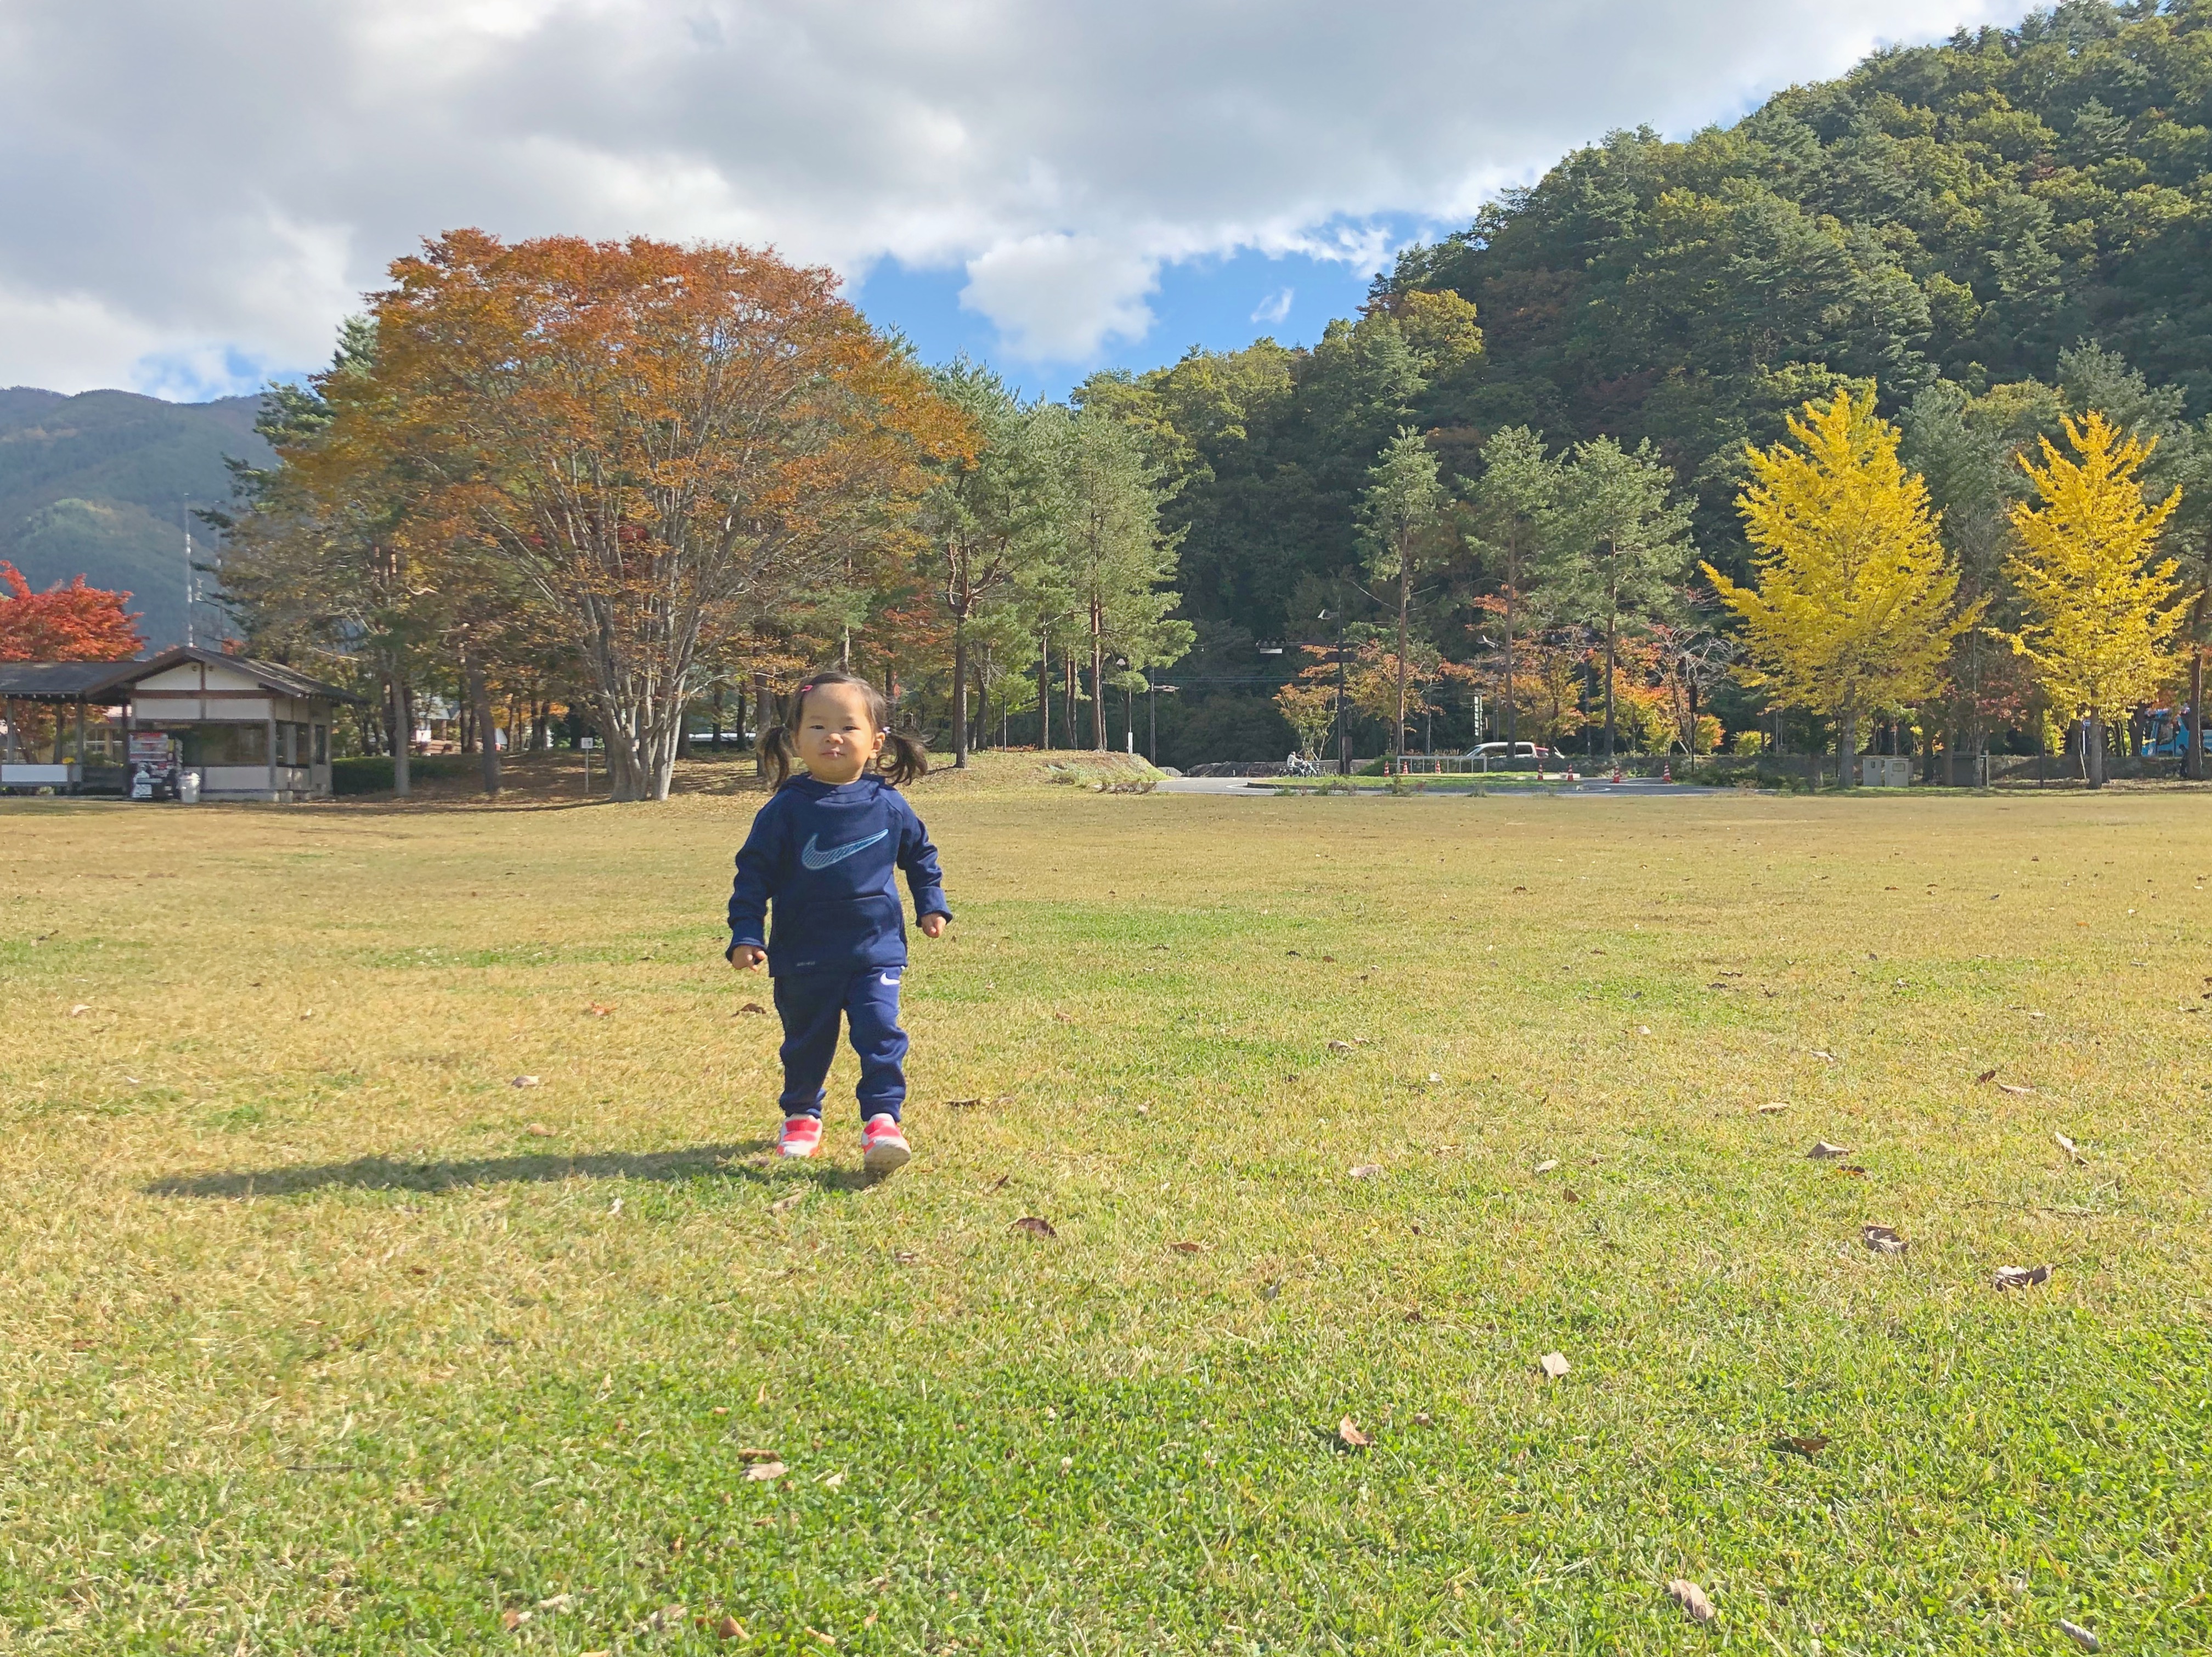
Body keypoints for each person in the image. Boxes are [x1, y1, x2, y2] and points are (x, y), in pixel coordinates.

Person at [727, 671, 950, 1172]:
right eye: (818, 726)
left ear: (876, 742)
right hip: (804, 955)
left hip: (876, 950)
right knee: (807, 1042)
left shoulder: (889, 804)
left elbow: (921, 856)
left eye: (848, 727)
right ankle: (802, 1116)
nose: (833, 736)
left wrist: (930, 903)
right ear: (794, 739)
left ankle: (883, 1123)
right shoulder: (784, 810)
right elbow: (753, 876)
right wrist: (746, 932)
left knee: (881, 1031)